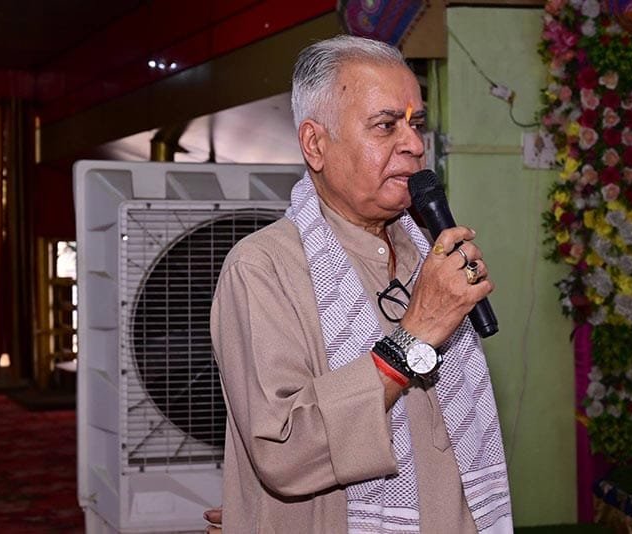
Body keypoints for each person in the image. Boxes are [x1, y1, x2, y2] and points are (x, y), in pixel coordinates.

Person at [208, 35, 512, 533]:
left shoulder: (427, 253)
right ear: (315, 144)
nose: (414, 144)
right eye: (386, 125)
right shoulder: (263, 268)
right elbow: (283, 451)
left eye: (416, 124)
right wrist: (413, 337)